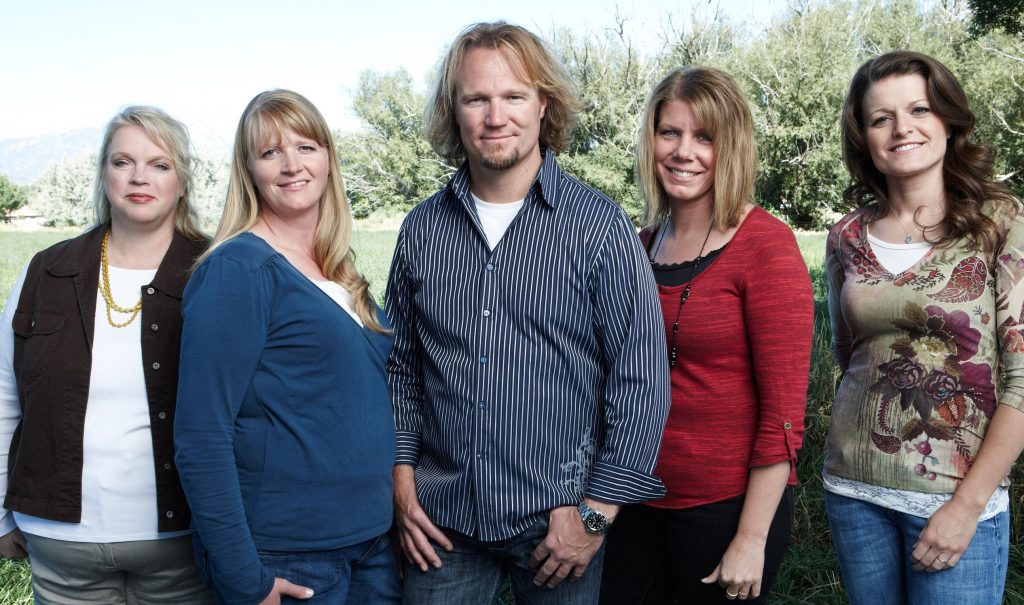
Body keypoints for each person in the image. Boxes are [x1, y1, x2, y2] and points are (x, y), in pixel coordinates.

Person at [386, 21, 671, 605]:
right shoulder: (421, 230)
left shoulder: (598, 227)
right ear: (455, 110)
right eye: (477, 99)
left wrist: (595, 517)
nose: (496, 116)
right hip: (443, 527)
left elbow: (641, 381)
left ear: (543, 104)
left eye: (514, 96)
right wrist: (401, 481)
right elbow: (402, 368)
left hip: (559, 523)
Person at [174, 90, 399, 605]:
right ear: (249, 169)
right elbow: (200, 436)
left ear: (327, 158)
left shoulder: (338, 270)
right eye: (270, 152)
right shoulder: (238, 270)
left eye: (305, 146)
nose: (291, 164)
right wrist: (243, 576)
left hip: (368, 546)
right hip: (287, 554)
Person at [599, 67, 814, 604]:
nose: (683, 151)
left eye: (704, 137)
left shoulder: (765, 245)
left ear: (731, 146)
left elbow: (784, 414)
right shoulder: (638, 244)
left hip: (723, 510)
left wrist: (750, 538)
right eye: (669, 132)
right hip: (632, 501)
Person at [825, 50, 1024, 605]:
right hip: (853, 490)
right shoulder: (846, 236)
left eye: (918, 109)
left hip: (956, 497)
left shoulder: (1000, 223)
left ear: (948, 121)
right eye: (880, 117)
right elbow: (850, 355)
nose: (901, 128)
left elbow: (1023, 380)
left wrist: (966, 507)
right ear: (863, 136)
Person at [0, 106, 214, 603]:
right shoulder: (46, 271)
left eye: (160, 164)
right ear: (103, 174)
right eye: (123, 162)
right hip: (60, 539)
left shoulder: (217, 269)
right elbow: (5, 398)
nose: (140, 176)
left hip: (184, 533)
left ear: (183, 181)